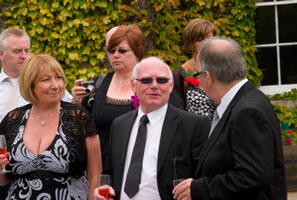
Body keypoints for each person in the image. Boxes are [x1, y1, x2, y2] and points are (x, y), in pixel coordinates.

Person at [173, 37, 287, 200]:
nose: (198, 82)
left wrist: (200, 189)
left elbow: (252, 177)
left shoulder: (247, 111)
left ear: (209, 77)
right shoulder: (244, 102)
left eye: (197, 75)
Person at [93, 56, 210, 200]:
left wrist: (195, 188)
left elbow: (206, 178)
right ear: (133, 85)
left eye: (161, 80)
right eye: (146, 80)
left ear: (171, 85)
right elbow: (110, 174)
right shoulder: (119, 124)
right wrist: (104, 190)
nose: (154, 86)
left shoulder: (193, 125)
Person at [72, 25, 183, 166]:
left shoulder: (155, 82)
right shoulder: (100, 83)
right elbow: (83, 126)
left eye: (122, 51)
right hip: (102, 164)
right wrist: (76, 102)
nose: (115, 55)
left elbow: (177, 120)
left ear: (137, 52)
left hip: (143, 163)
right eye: (111, 51)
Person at [0, 54, 102, 200]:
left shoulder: (78, 117)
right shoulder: (12, 119)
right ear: (30, 84)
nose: (56, 85)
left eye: (59, 78)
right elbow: (3, 179)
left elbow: (95, 175)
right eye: (46, 80)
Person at [0, 27, 73, 122]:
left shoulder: (44, 84)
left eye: (27, 50)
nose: (24, 56)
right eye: (17, 51)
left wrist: (78, 100)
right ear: (1, 55)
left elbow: (70, 111)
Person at [174, 19, 218, 120]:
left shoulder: (222, 67)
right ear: (191, 44)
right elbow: (177, 109)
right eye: (200, 40)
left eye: (209, 39)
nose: (206, 43)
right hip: (194, 131)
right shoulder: (182, 73)